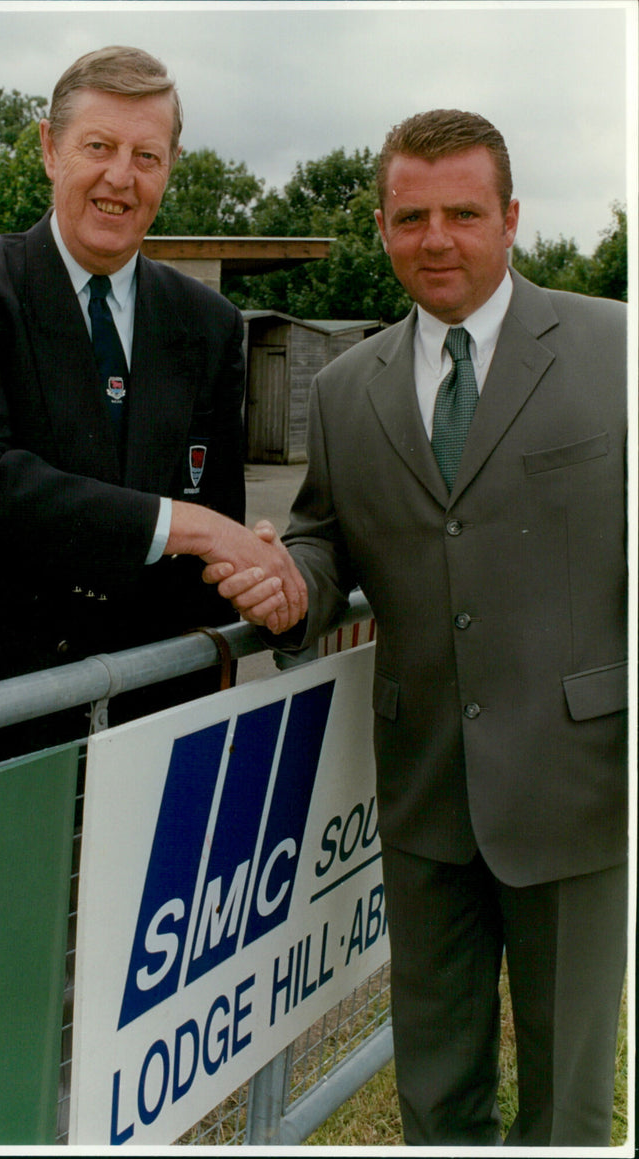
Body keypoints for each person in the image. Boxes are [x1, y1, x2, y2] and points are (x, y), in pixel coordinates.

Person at [208, 110, 627, 1146]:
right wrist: (285, 584)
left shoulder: (614, 348)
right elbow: (321, 538)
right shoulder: (347, 388)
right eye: (410, 216)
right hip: (423, 790)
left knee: (566, 1107)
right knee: (436, 1095)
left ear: (510, 218)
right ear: (383, 227)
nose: (434, 237)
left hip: (575, 784)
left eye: (460, 214)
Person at [0, 45, 305, 782]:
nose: (121, 177)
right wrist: (194, 526)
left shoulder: (207, 324)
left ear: (171, 166)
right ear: (49, 147)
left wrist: (252, 568)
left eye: (148, 155)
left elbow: (216, 516)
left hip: (155, 727)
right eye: (99, 147)